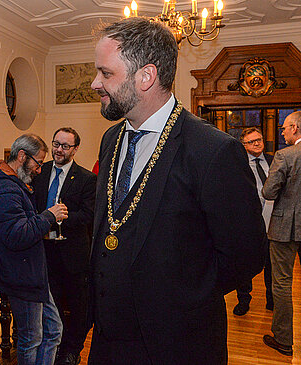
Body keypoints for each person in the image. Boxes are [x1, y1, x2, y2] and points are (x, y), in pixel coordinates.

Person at [89, 18, 266, 364]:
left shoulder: (213, 150)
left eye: (105, 73)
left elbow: (246, 254)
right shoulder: (111, 139)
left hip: (178, 343)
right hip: (108, 340)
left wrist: (180, 297)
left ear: (146, 76)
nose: (95, 83)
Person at [0, 134, 68, 365]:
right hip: (20, 275)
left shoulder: (13, 185)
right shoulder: (4, 189)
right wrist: (48, 216)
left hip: (32, 274)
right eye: (38, 163)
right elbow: (17, 235)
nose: (39, 170)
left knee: (53, 330)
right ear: (22, 156)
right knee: (31, 339)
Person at [32, 127, 96, 365]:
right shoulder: (40, 171)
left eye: (65, 146)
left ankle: (72, 350)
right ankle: (54, 346)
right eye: (56, 144)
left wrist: (62, 217)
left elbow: (89, 216)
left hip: (73, 254)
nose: (59, 150)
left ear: (75, 149)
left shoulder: (86, 178)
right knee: (52, 304)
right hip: (44, 252)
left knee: (78, 307)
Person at [262, 110, 301, 356]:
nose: (282, 131)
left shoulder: (285, 156)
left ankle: (284, 340)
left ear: (295, 128)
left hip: (284, 227)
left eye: (285, 127)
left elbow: (268, 192)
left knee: (282, 283)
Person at [233, 127, 274, 316]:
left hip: (273, 222)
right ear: (244, 145)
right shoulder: (237, 164)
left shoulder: (274, 160)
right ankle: (243, 300)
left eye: (259, 139)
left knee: (272, 264)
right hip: (247, 223)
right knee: (245, 264)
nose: (257, 143)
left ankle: (272, 299)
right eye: (252, 141)